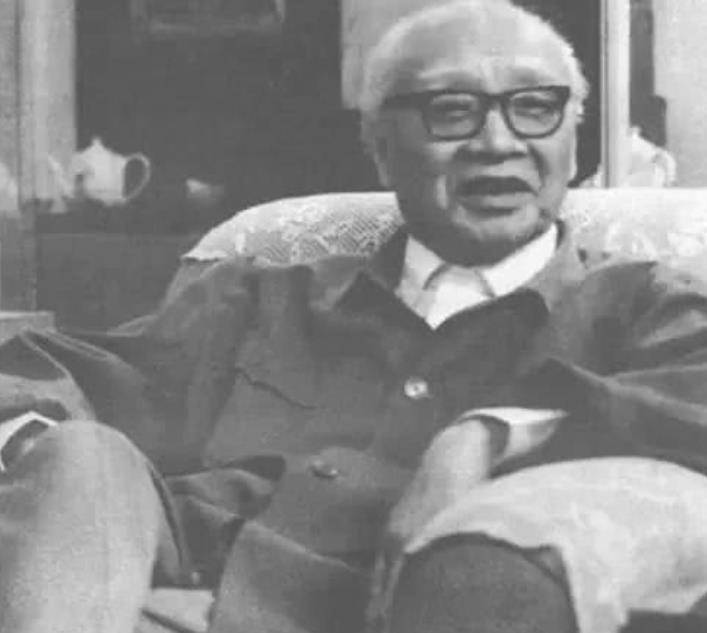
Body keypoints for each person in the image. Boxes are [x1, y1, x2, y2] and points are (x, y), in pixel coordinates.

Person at [3, 2, 707, 633]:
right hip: (147, 598)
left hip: (411, 611)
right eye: (450, 110)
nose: (497, 142)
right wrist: (45, 483)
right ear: (379, 147)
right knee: (78, 454)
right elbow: (47, 370)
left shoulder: (637, 305)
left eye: (534, 107)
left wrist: (486, 434)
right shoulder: (257, 294)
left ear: (573, 143)